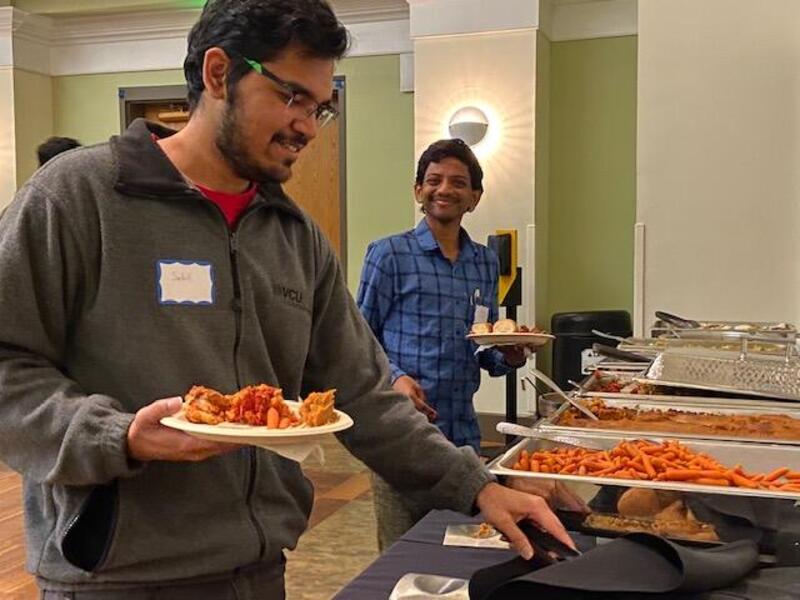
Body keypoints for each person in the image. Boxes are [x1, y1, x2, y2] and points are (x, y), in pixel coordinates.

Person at [0, 1, 572, 598]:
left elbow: (363, 395)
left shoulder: (295, 236)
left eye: (320, 108)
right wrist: (113, 435)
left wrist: (478, 486)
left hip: (259, 570)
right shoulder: (78, 196)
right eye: (292, 96)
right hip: (117, 578)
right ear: (219, 74)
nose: (307, 125)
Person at [356, 139, 535, 549]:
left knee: (457, 551)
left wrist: (508, 354)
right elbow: (358, 337)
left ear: (474, 197)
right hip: (402, 433)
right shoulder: (389, 255)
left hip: (463, 433)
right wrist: (396, 377)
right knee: (401, 554)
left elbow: (482, 344)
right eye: (434, 180)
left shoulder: (484, 262)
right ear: (418, 190)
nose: (445, 189)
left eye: (458, 182)